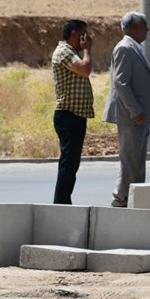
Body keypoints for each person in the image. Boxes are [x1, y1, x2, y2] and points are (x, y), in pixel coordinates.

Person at [103, 11, 150, 207]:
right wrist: (134, 110)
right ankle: (121, 198)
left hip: (139, 116)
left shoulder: (135, 47)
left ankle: (135, 197)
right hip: (131, 116)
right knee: (129, 160)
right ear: (134, 28)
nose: (147, 30)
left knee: (137, 160)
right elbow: (121, 83)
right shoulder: (125, 48)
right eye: (144, 26)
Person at [51, 19, 94, 204]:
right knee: (68, 164)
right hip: (68, 115)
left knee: (71, 164)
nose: (87, 37)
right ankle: (61, 203)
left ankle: (63, 201)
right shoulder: (64, 52)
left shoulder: (71, 53)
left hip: (75, 115)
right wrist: (87, 50)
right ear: (75, 34)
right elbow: (85, 70)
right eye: (84, 33)